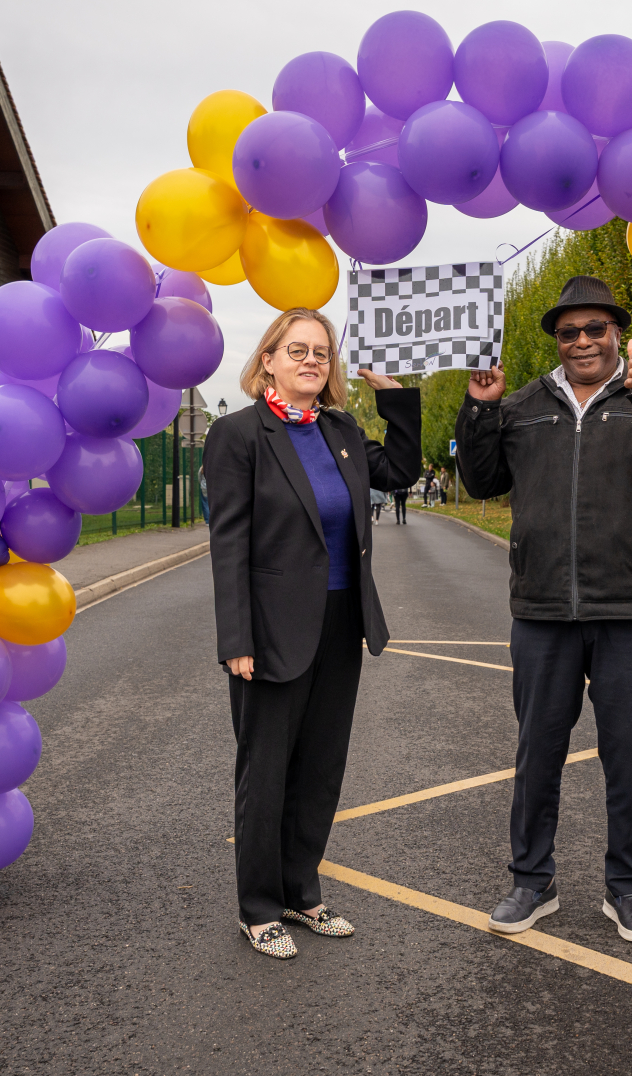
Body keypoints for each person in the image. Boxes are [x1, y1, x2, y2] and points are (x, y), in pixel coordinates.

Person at [455, 275, 632, 944]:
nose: (582, 341)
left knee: (627, 759)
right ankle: (531, 881)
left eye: (595, 328)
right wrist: (480, 408)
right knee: (536, 756)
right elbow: (481, 480)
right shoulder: (522, 405)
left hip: (629, 608)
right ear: (557, 340)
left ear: (617, 334)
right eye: (568, 332)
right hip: (542, 609)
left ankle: (627, 889)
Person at [204, 307, 421, 959]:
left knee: (322, 767)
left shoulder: (341, 429)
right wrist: (236, 638)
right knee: (266, 770)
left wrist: (396, 399)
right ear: (268, 359)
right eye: (296, 349)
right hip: (271, 629)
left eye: (321, 352)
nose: (310, 361)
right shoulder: (239, 433)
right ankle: (258, 907)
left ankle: (301, 891)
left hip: (341, 622)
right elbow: (229, 542)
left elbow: (400, 471)